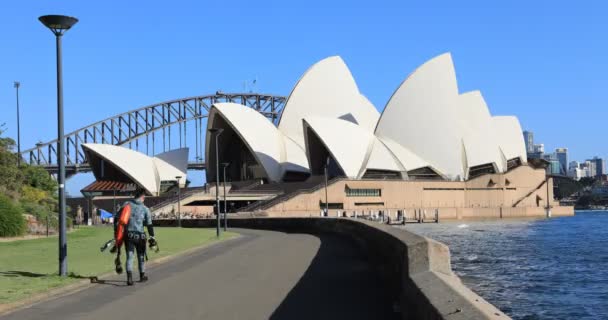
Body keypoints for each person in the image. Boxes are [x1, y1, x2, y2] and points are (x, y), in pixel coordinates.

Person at [116, 188, 156, 286]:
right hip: (140, 237)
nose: (144, 199)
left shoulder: (126, 205)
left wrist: (117, 234)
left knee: (130, 257)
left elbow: (117, 218)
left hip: (128, 236)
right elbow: (149, 225)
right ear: (142, 196)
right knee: (141, 256)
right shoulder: (145, 209)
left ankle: (129, 278)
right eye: (144, 197)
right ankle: (142, 276)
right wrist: (152, 238)